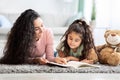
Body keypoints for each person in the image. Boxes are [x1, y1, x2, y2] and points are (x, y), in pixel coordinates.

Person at [0, 9, 66, 64]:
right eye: (37, 29)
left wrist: (55, 60)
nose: (42, 30)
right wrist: (35, 60)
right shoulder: (20, 38)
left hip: (51, 54)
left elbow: (50, 57)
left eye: (42, 25)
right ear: (27, 31)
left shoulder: (48, 32)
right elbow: (16, 58)